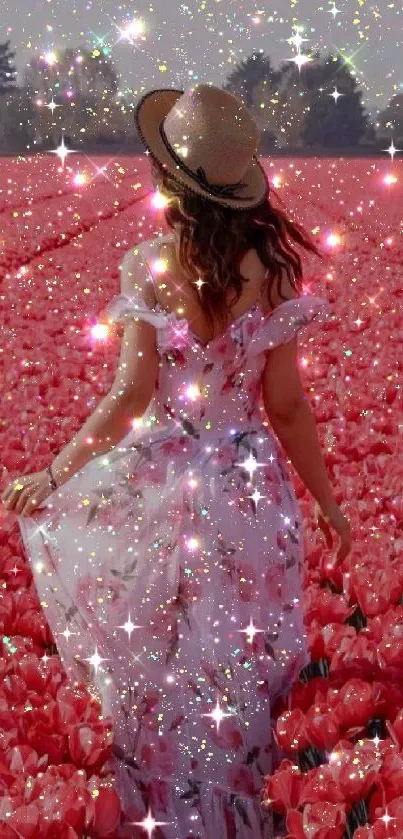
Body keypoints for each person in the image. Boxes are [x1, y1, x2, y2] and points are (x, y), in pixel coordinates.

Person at [1, 84, 351, 838]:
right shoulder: (275, 272)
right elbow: (286, 404)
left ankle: (162, 809)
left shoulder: (149, 267)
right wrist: (326, 500)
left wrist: (57, 474)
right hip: (247, 487)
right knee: (233, 653)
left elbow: (129, 397)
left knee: (165, 656)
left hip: (161, 482)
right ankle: (233, 810)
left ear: (172, 182)